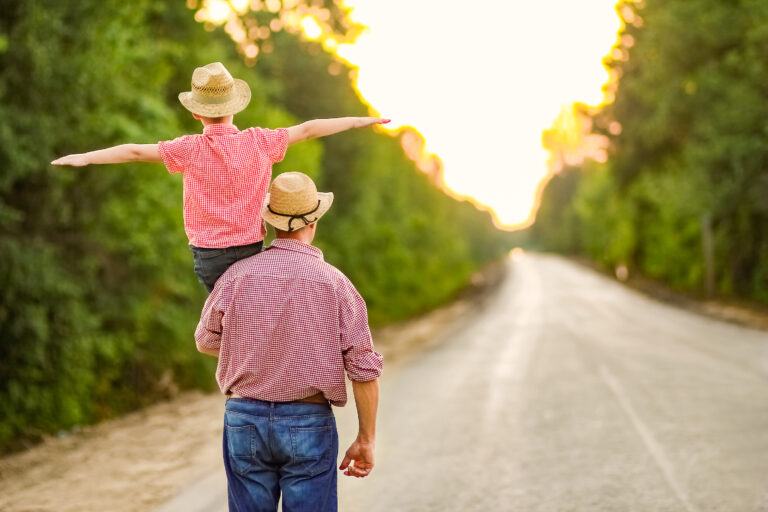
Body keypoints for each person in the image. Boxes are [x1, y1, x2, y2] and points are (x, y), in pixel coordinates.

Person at [51, 61, 388, 291]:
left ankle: (237, 384)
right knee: (254, 318)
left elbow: (136, 152)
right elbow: (310, 128)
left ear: (196, 111)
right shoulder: (261, 141)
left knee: (224, 326)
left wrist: (85, 157)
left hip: (209, 255)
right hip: (251, 249)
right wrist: (359, 120)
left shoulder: (188, 149)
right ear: (234, 106)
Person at [194, 171, 383, 512]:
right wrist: (366, 439)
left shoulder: (236, 276)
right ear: (314, 221)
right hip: (308, 420)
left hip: (243, 418)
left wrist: (257, 350)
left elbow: (205, 341)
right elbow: (364, 370)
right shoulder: (336, 284)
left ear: (270, 223)